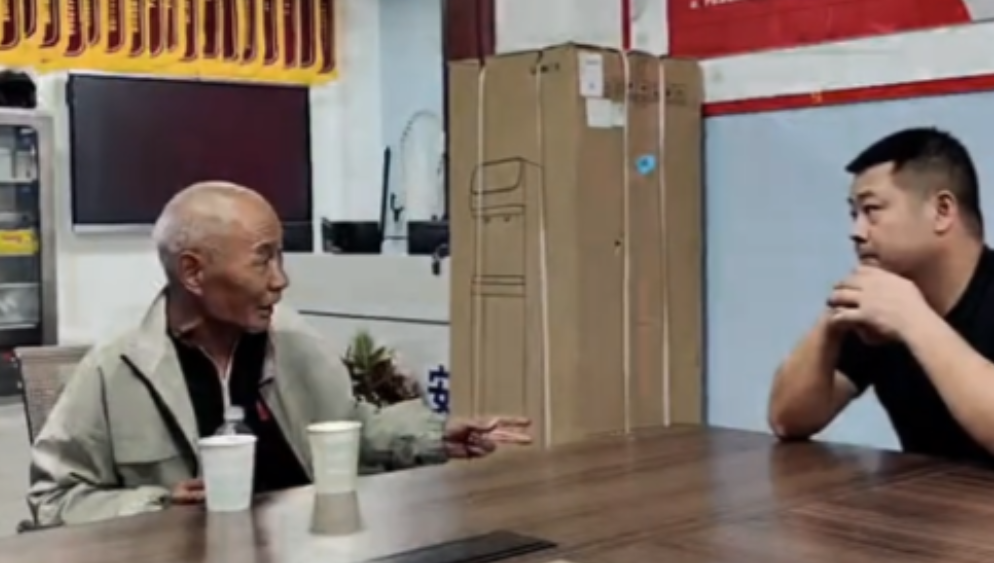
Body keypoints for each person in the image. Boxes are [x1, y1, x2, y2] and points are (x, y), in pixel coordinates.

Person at [28, 181, 531, 527]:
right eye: (262, 260)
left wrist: (434, 435)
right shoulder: (116, 370)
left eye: (281, 256)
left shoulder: (293, 341)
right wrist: (157, 505)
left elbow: (347, 428)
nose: (281, 280)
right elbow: (54, 500)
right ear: (193, 272)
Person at [767, 127, 994, 464]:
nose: (856, 232)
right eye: (853, 214)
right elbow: (788, 421)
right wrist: (830, 323)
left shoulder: (901, 306)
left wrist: (914, 321)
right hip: (923, 495)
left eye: (871, 210)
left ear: (942, 211)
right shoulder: (881, 299)